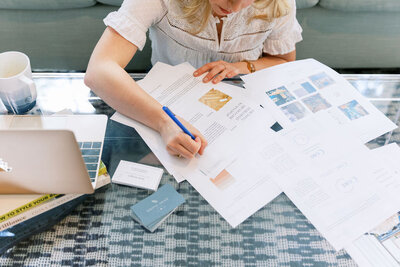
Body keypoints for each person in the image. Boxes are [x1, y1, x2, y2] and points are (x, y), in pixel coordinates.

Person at [84, 0, 303, 159]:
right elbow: (99, 71)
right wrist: (165, 123)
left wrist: (242, 66)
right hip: (162, 103)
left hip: (239, 108)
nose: (235, 8)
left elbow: (284, 61)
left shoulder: (277, 3)